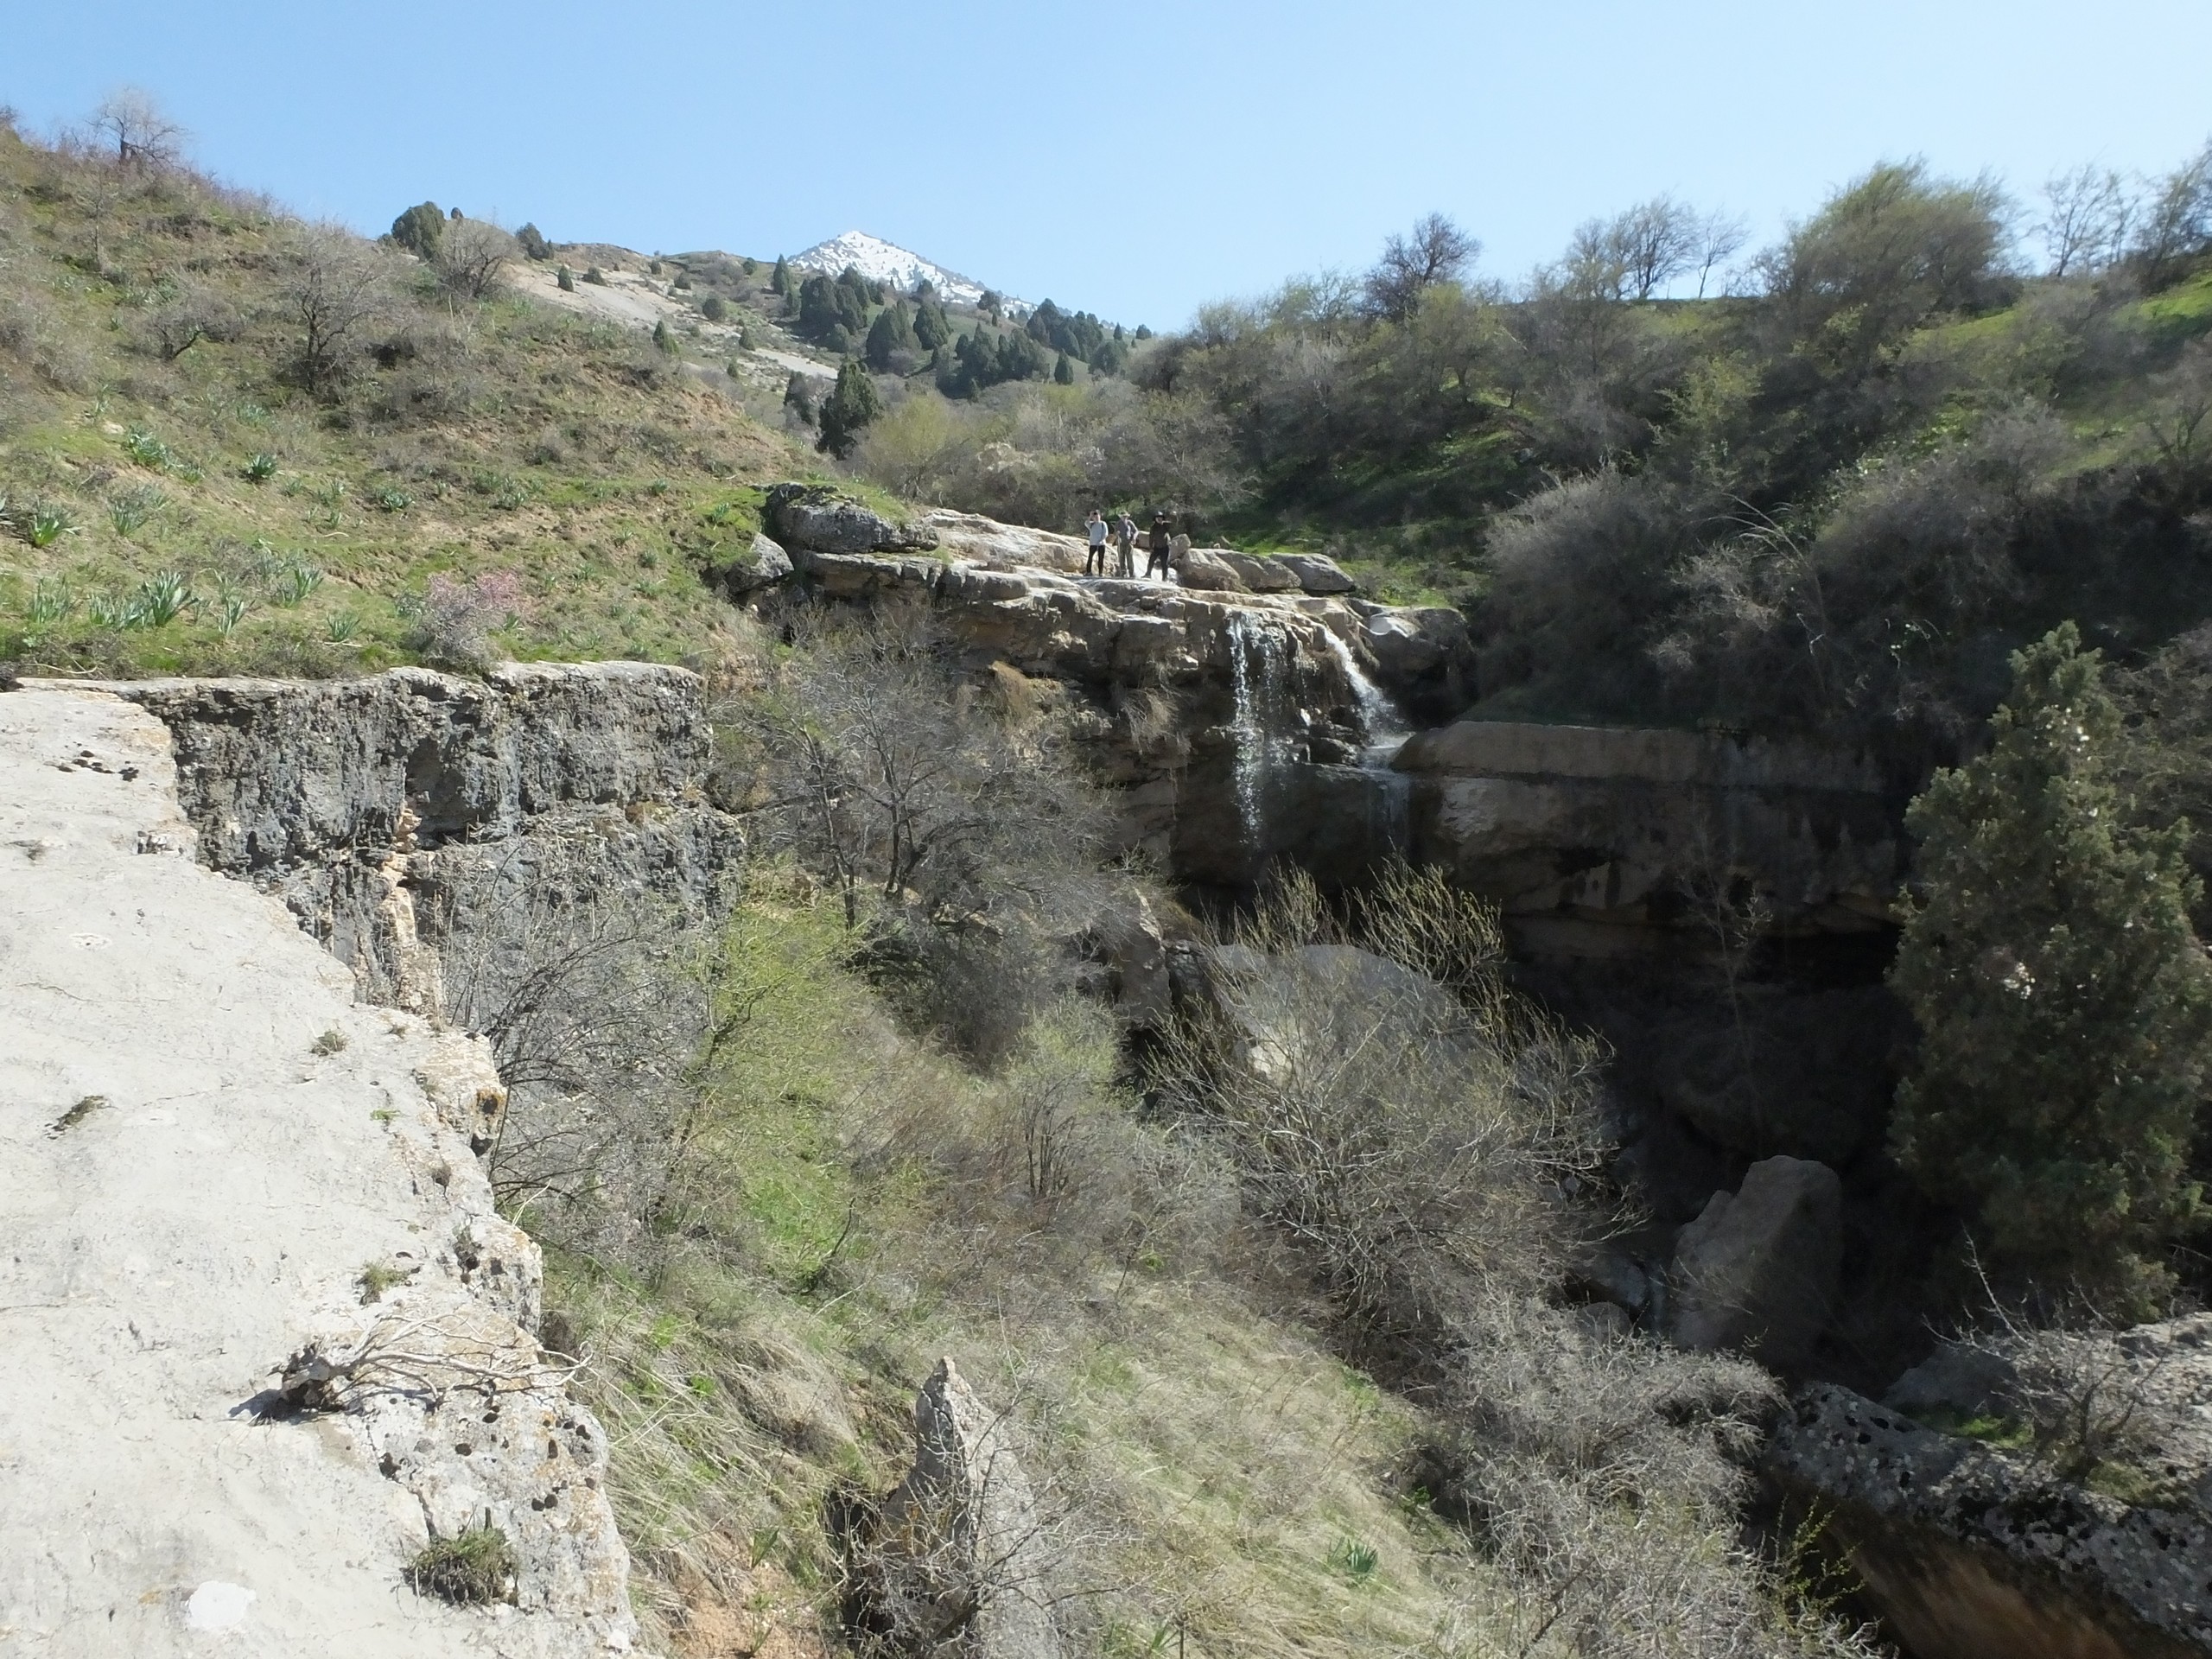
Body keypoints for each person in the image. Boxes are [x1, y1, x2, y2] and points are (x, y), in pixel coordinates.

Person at [1145, 512, 1173, 580]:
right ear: (1155, 519)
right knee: (1151, 560)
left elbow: (1173, 523)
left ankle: (1164, 578)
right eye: (1157, 518)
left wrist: (1172, 515)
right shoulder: (1153, 527)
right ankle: (1148, 574)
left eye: (1160, 518)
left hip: (1165, 547)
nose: (1159, 519)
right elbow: (1151, 537)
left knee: (1164, 563)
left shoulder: (1166, 526)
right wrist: (1151, 547)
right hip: (1156, 547)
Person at [1083, 508, 1108, 576]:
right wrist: (1090, 516)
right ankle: (1088, 572)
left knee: (1101, 558)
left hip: (1101, 544)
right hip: (1093, 544)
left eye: (1097, 515)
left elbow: (1105, 534)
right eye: (1095, 516)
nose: (1096, 517)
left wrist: (1101, 540)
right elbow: (1086, 523)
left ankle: (1101, 572)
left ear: (1100, 516)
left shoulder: (1103, 524)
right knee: (1090, 557)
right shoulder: (1092, 524)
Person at [1115, 512, 1138, 579]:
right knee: (1121, 557)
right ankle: (1123, 572)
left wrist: (1134, 538)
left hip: (1129, 541)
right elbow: (1115, 532)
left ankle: (1131, 572)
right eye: (1123, 516)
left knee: (1129, 557)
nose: (1124, 518)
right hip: (1121, 542)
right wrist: (1117, 534)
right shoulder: (1118, 523)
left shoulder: (1130, 523)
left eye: (1125, 516)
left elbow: (1136, 531)